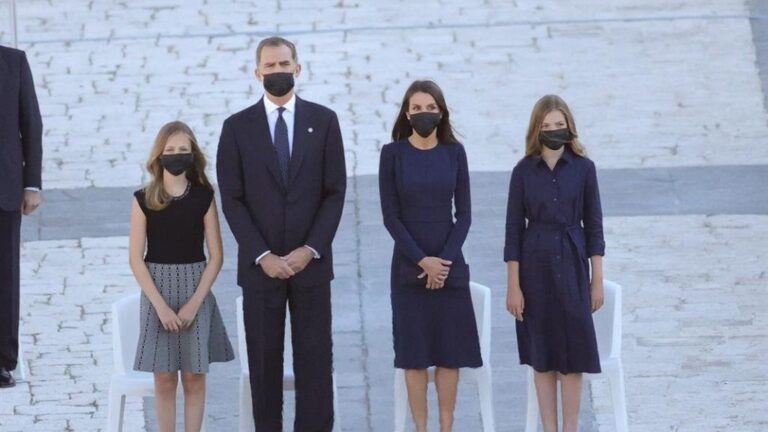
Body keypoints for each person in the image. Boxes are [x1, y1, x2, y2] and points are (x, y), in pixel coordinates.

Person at [216, 36, 346, 431]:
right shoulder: (236, 128)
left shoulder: (324, 121)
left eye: (284, 64)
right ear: (257, 72)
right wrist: (262, 255)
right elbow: (232, 199)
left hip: (311, 267)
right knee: (264, 364)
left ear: (298, 68)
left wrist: (310, 249)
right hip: (261, 270)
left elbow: (334, 192)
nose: (278, 71)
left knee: (315, 363)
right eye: (269, 66)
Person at [379, 80, 482, 432]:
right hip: (409, 268)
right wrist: (423, 261)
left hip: (450, 265)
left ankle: (446, 426)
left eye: (430, 108)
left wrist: (443, 263)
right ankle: (420, 428)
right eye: (417, 108)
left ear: (441, 112)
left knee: (449, 354)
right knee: (415, 356)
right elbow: (390, 216)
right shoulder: (391, 155)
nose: (423, 113)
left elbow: (464, 214)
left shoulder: (455, 153)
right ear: (407, 113)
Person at [504, 95, 605, 432]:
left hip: (574, 264)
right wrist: (513, 285)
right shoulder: (522, 172)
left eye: (559, 125)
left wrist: (597, 280)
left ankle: (570, 428)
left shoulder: (584, 169)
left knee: (573, 355)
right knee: (542, 355)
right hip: (535, 265)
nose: (553, 131)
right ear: (536, 130)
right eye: (546, 126)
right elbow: (513, 231)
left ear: (569, 127)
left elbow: (595, 227)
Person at [129, 121, 234, 432]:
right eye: (170, 150)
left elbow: (216, 256)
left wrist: (193, 304)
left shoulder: (204, 197)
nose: (176, 155)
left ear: (193, 155)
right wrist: (160, 306)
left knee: (193, 375)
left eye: (183, 150)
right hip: (156, 290)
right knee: (162, 377)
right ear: (159, 155)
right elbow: (136, 258)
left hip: (195, 288)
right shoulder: (142, 198)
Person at [0, 45, 43, 389]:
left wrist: (32, 185)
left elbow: (31, 125)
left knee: (4, 277)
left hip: (5, 189)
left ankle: (2, 360)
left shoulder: (13, 62)